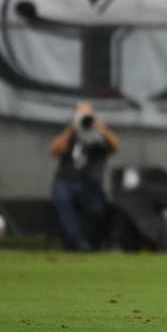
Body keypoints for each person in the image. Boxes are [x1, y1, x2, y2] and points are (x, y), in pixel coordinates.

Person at [49, 101, 119, 251]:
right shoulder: (70, 133)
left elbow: (115, 146)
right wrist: (71, 127)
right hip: (67, 181)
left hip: (91, 184)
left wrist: (100, 127)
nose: (84, 118)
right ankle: (79, 242)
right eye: (81, 114)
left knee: (98, 209)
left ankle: (94, 243)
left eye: (87, 114)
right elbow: (54, 149)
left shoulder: (99, 134)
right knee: (62, 198)